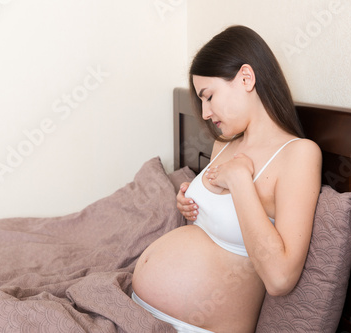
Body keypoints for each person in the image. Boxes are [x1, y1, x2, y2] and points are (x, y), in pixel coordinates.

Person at [132, 25, 322, 333]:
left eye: (208, 97)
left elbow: (280, 278)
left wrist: (239, 182)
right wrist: (190, 205)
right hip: (143, 313)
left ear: (246, 78)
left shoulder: (298, 154)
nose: (205, 113)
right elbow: (216, 231)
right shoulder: (225, 142)